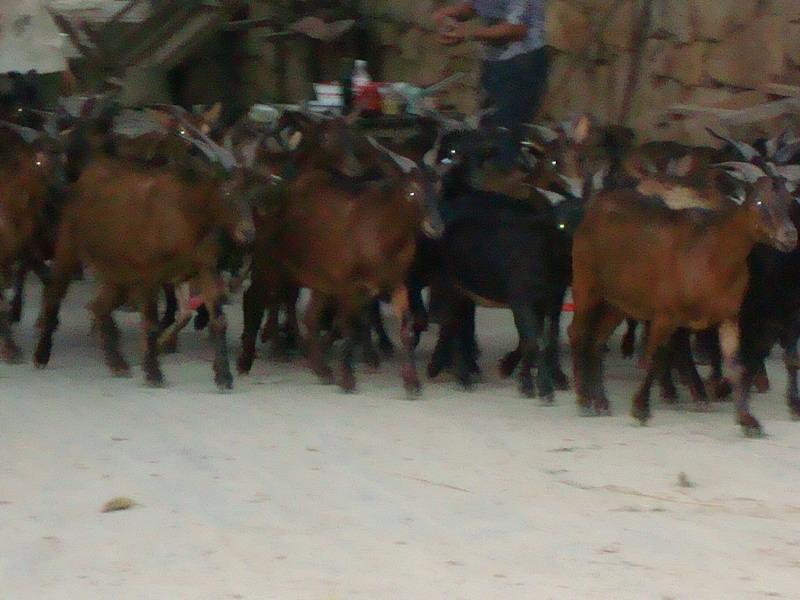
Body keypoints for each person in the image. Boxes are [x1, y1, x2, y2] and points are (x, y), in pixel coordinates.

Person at [433, 0, 549, 170]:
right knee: (487, 133)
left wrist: (467, 33)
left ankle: (499, 185)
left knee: (504, 136)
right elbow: (480, 5)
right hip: (495, 63)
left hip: (521, 65)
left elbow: (516, 29)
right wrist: (449, 14)